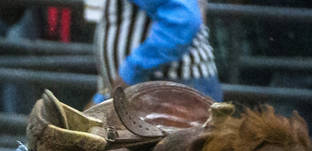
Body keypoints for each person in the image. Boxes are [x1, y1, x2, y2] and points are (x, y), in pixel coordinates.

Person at [92, 0, 221, 104]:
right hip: (151, 90)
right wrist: (107, 96)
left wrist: (130, 72)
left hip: (170, 88)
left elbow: (183, 20)